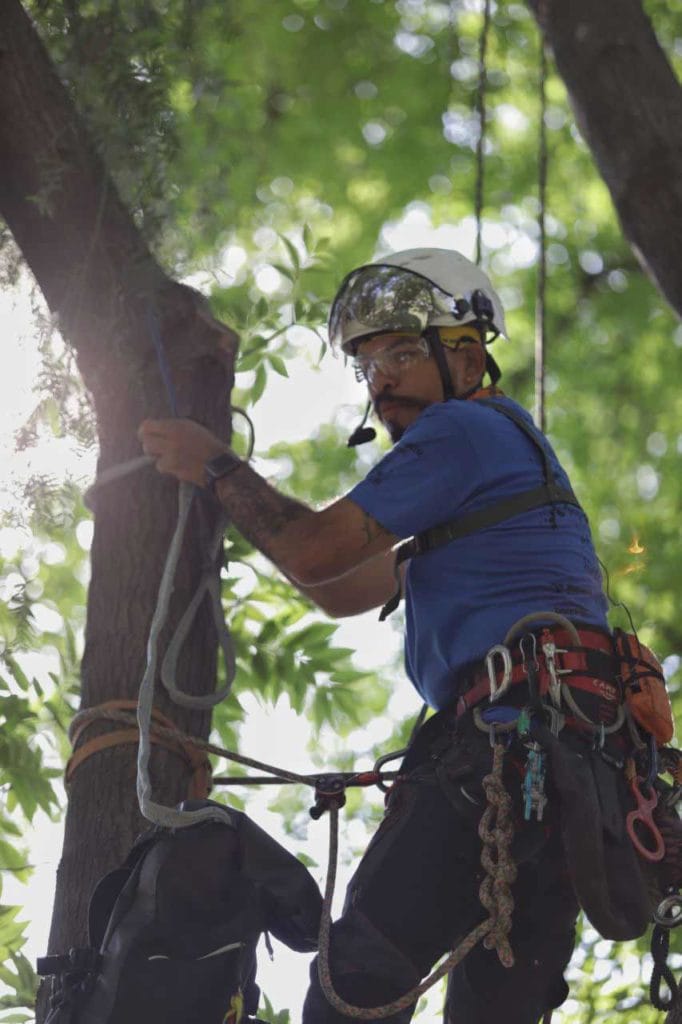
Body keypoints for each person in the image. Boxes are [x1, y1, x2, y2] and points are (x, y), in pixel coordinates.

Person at [139, 249, 645, 1024]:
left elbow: (315, 550)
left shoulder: (461, 432)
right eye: (368, 363)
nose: (381, 378)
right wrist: (235, 510)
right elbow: (338, 588)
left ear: (468, 353)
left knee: (356, 989)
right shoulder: (489, 497)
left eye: (403, 352)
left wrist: (214, 468)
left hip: (505, 755)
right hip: (570, 780)